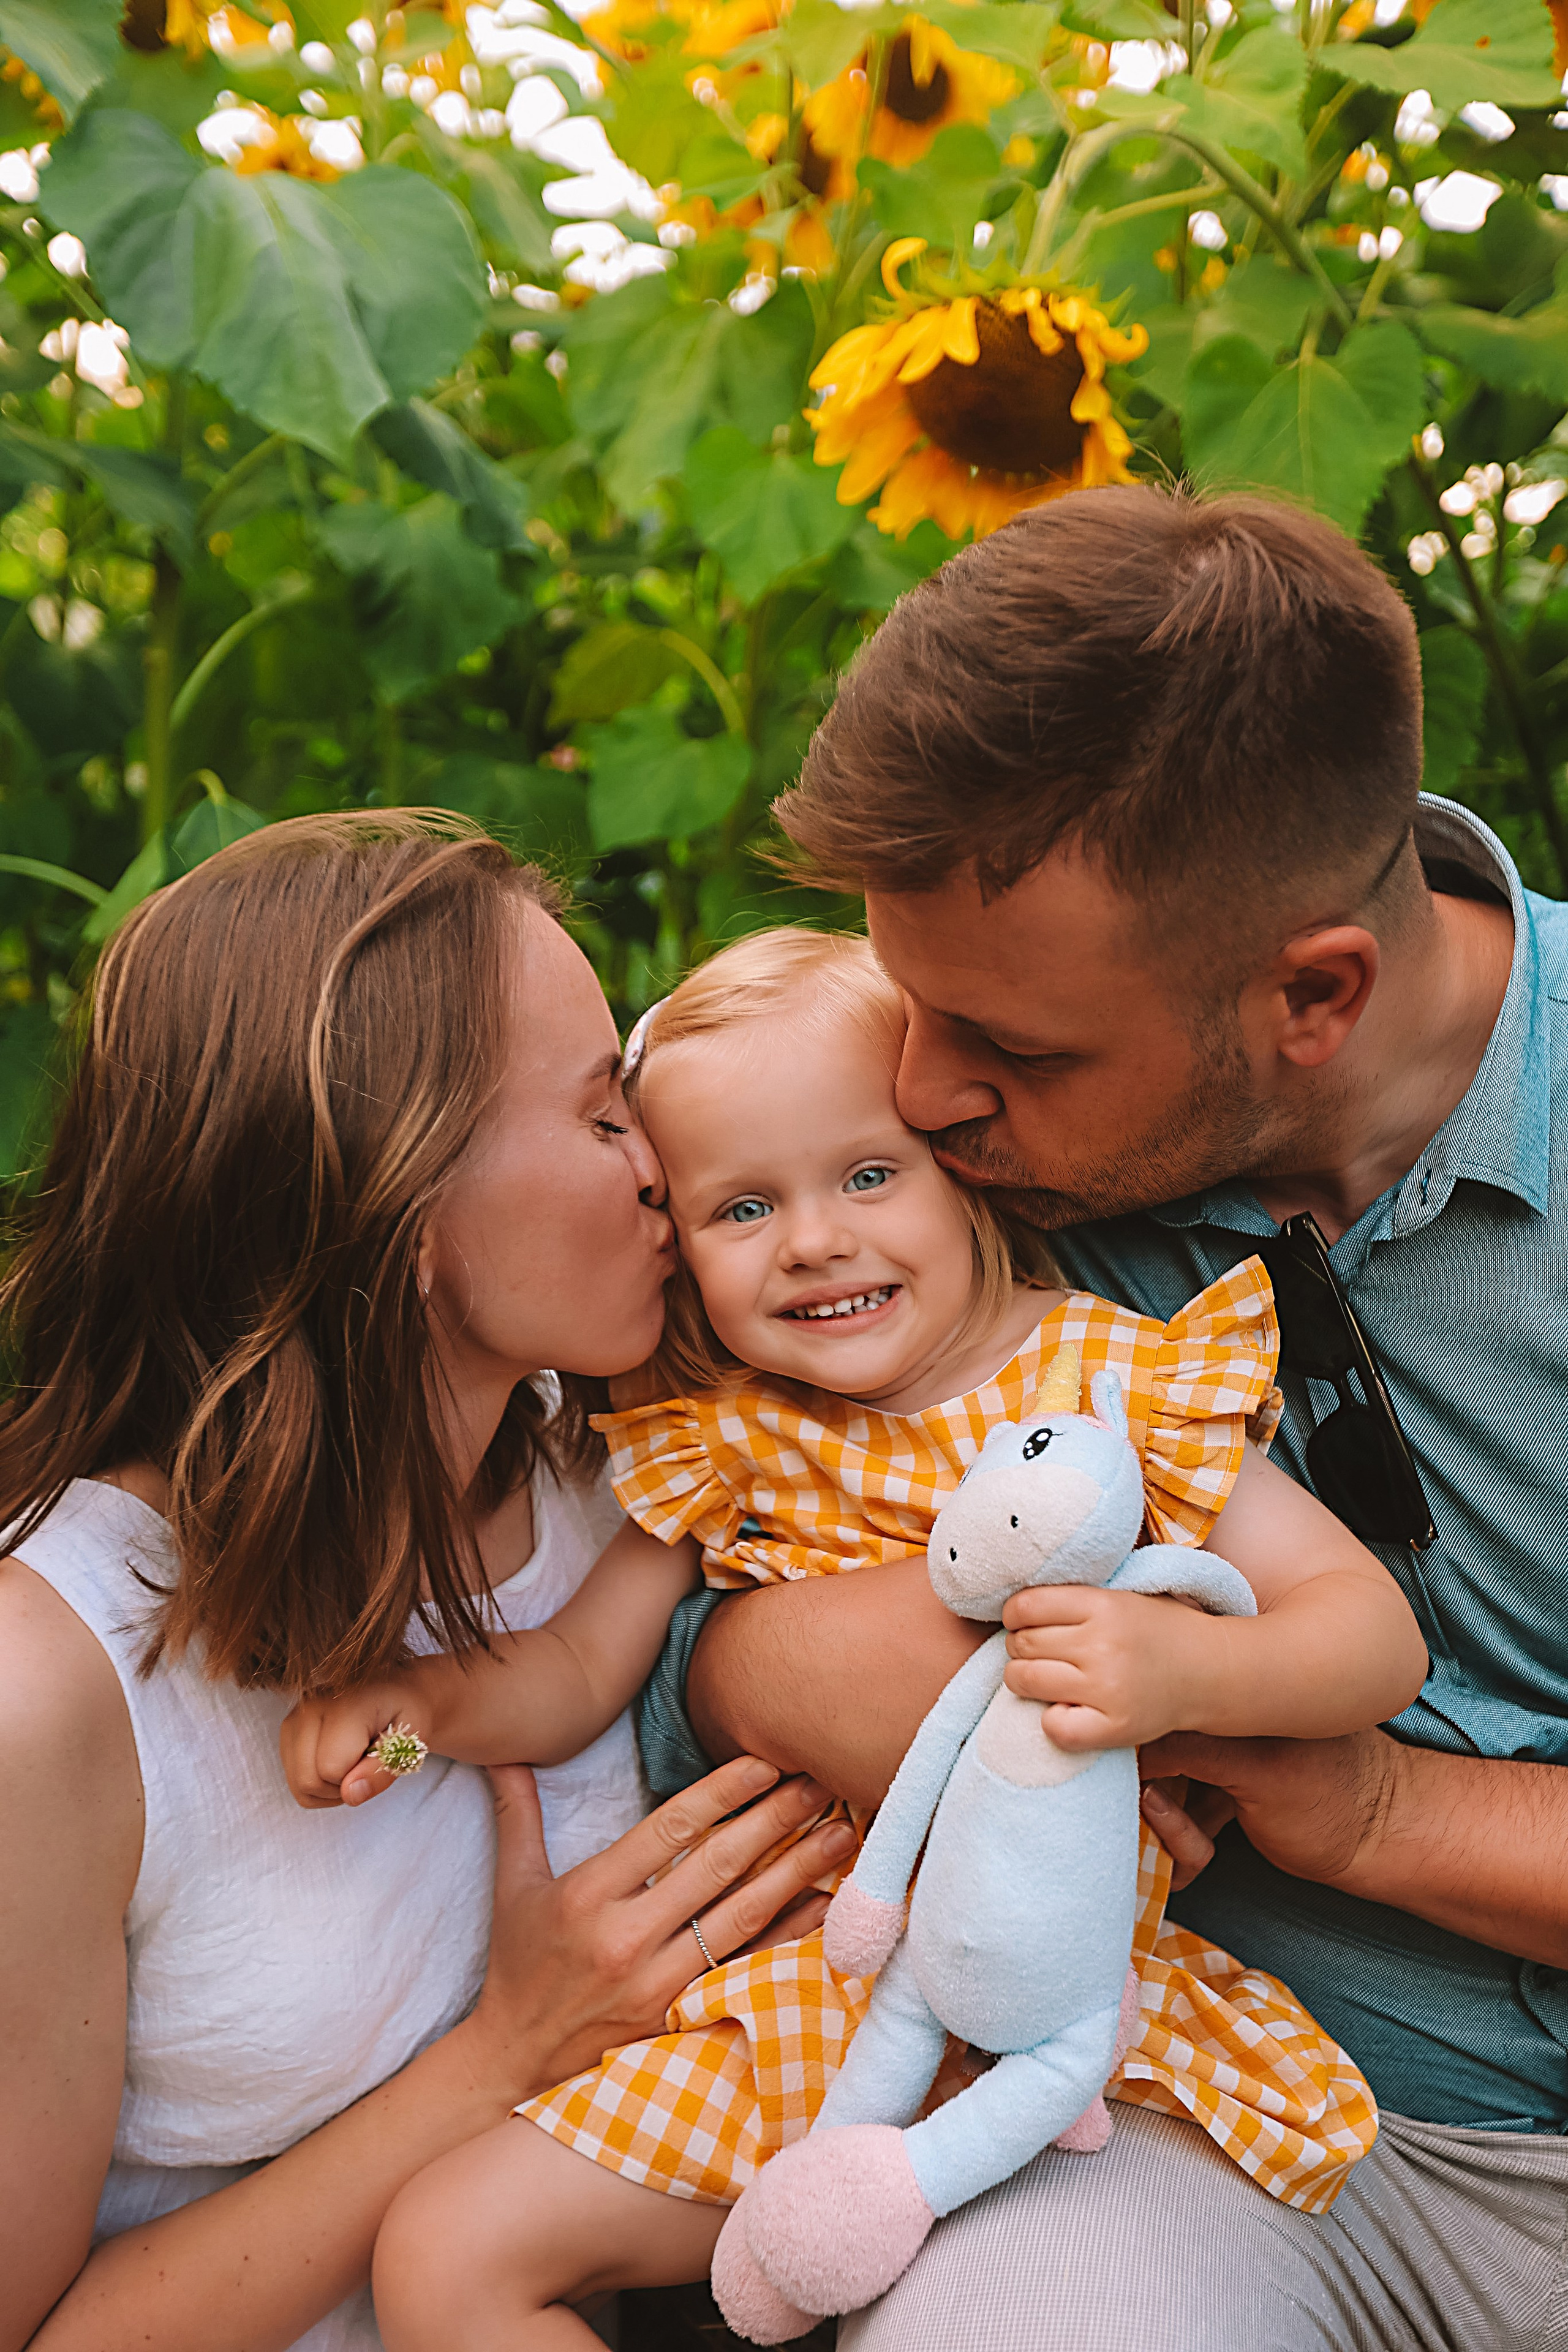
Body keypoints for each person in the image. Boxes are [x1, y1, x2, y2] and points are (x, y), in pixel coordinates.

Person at [649, 488, 1568, 2348]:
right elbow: (719, 1600)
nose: (923, 1096)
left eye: (1017, 1052)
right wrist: (777, 1661)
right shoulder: (981, 1190)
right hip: (1190, 2112)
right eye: (912, 1007)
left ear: (1315, 995)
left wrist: (1369, 1802)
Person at [283, 925, 1424, 2348]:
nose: (815, 1239)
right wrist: (406, 1720)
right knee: (448, 2251)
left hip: (1040, 2022)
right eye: (740, 1209)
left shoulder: (1109, 1387)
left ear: (967, 1173)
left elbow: (1373, 1639)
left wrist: (1185, 1673)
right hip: (808, 2011)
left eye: (867, 1175)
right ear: (676, 1243)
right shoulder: (730, 1445)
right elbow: (572, 1678)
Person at [0, 812, 851, 2352]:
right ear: (399, 1210)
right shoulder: (52, 1681)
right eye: (603, 1120)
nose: (662, 1168)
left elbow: (405, 1750)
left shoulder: (610, 1465)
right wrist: (506, 2048)